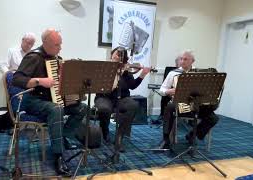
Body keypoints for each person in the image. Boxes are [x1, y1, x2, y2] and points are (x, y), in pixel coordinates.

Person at [12, 29, 87, 176]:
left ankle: (62, 136)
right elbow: (17, 79)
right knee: (57, 109)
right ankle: (58, 156)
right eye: (56, 45)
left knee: (83, 108)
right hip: (34, 100)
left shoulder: (57, 59)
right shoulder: (33, 57)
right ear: (45, 43)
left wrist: (74, 91)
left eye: (60, 44)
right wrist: (39, 81)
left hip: (54, 101)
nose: (60, 48)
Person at [158, 50, 219, 149]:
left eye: (185, 59)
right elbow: (162, 89)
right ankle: (166, 139)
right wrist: (168, 91)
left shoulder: (199, 73)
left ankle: (192, 135)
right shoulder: (173, 73)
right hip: (180, 104)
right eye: (181, 59)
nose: (182, 61)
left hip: (196, 104)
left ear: (192, 61)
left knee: (213, 118)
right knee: (169, 107)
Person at [94, 47, 150, 152]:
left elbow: (132, 86)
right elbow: (99, 86)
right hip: (104, 97)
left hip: (122, 98)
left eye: (120, 55)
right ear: (112, 54)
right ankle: (105, 131)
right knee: (104, 108)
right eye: (116, 54)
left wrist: (142, 74)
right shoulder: (104, 67)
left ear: (124, 59)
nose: (117, 56)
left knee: (133, 105)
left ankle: (119, 136)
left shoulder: (126, 70)